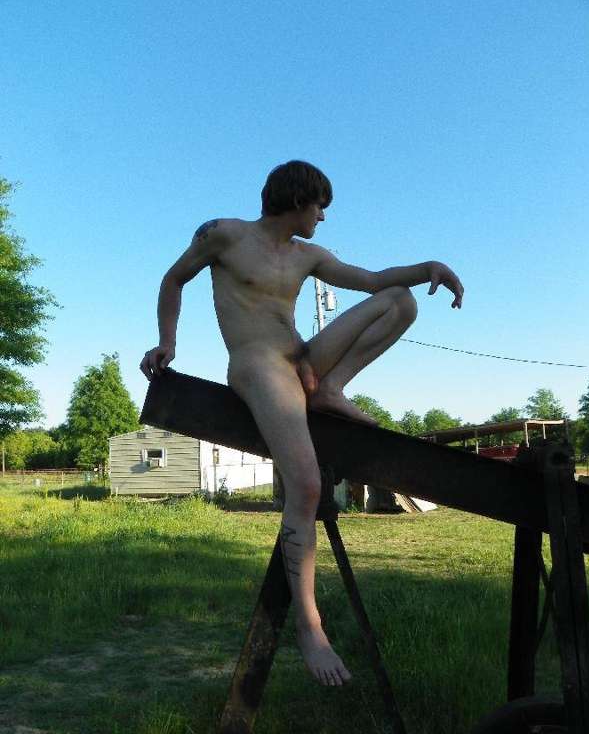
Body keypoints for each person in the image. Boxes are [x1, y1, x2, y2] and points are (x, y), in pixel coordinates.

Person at [140, 160, 464, 687]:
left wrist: (428, 266)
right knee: (308, 486)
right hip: (258, 365)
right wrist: (167, 342)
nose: (323, 217)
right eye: (320, 206)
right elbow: (173, 279)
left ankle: (331, 389)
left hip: (303, 360)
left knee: (399, 302)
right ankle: (310, 628)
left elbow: (372, 281)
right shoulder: (223, 234)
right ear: (298, 199)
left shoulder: (308, 255)